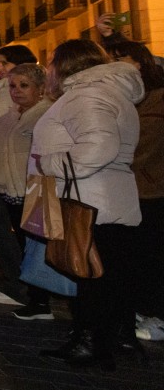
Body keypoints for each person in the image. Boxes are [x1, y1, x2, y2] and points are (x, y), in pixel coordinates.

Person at [34, 40, 143, 370]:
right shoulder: (103, 92)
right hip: (102, 196)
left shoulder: (88, 94)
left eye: (52, 62)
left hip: (91, 198)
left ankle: (91, 344)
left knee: (91, 273)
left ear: (64, 65)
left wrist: (48, 163)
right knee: (103, 273)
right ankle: (107, 338)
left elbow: (99, 147)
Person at [0, 63, 53, 317]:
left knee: (35, 246)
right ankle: (31, 295)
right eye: (12, 85)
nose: (17, 91)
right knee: (23, 244)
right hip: (10, 190)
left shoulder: (46, 114)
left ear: (40, 88)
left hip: (35, 191)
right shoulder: (11, 114)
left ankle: (39, 300)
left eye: (24, 85)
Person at [106, 41, 164, 344]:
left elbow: (144, 148)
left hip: (151, 189)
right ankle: (142, 307)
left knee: (152, 254)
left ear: (140, 64)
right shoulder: (125, 101)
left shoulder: (158, 99)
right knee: (136, 255)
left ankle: (157, 314)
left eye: (121, 60)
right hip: (128, 189)